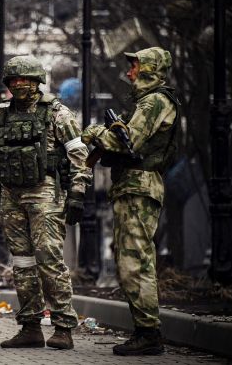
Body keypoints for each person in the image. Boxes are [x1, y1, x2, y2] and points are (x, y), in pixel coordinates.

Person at [0, 55, 92, 350]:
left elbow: (79, 156)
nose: (19, 84)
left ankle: (63, 327)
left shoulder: (57, 113)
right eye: (14, 80)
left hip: (45, 194)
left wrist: (77, 193)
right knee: (22, 264)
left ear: (37, 81)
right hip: (11, 197)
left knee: (50, 260)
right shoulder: (2, 115)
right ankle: (31, 327)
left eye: (25, 79)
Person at [81, 46, 179, 356]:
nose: (129, 72)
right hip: (133, 186)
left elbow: (128, 141)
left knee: (134, 262)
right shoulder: (147, 101)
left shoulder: (154, 101)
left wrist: (93, 132)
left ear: (150, 68)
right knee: (131, 261)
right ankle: (145, 332)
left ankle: (148, 334)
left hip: (140, 186)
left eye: (135, 66)